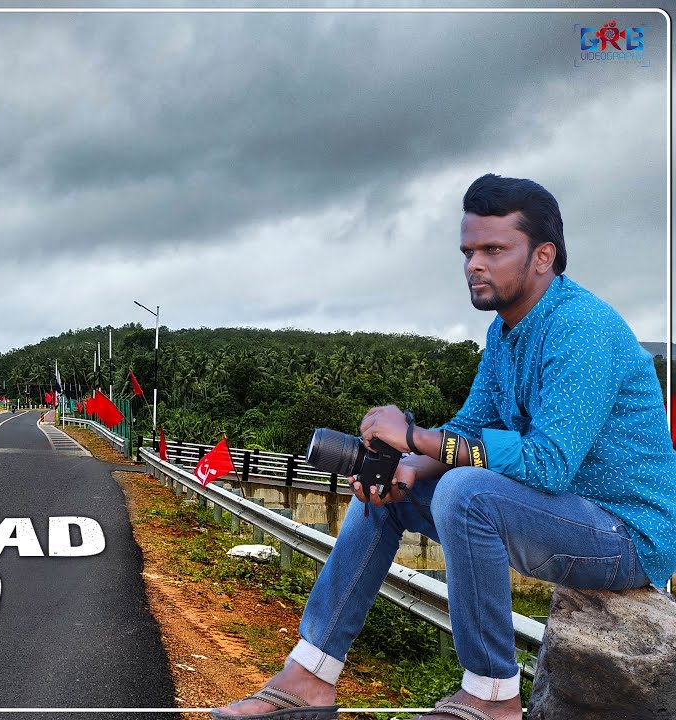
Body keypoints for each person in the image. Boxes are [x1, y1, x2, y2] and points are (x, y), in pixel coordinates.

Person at [210, 174, 676, 720]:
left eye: (494, 250)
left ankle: (492, 696)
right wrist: (407, 464)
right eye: (468, 251)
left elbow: (546, 464)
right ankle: (311, 675)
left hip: (625, 536)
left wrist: (415, 439)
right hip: (555, 517)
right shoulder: (505, 333)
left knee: (465, 490)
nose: (474, 265)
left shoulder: (582, 329)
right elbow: (470, 427)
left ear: (544, 256)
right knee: (388, 491)